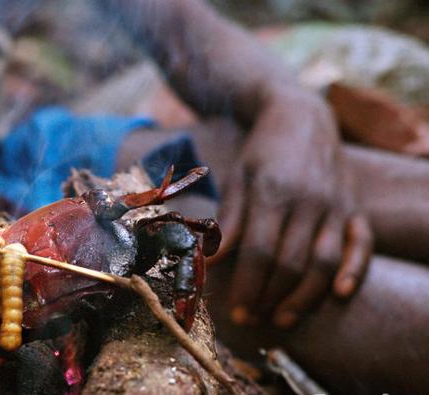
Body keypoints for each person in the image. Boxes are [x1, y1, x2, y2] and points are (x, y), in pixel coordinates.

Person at [103, 1, 429, 393]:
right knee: (238, 258)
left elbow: (160, 12)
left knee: (303, 184)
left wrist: (290, 104)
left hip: (61, 141)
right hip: (24, 200)